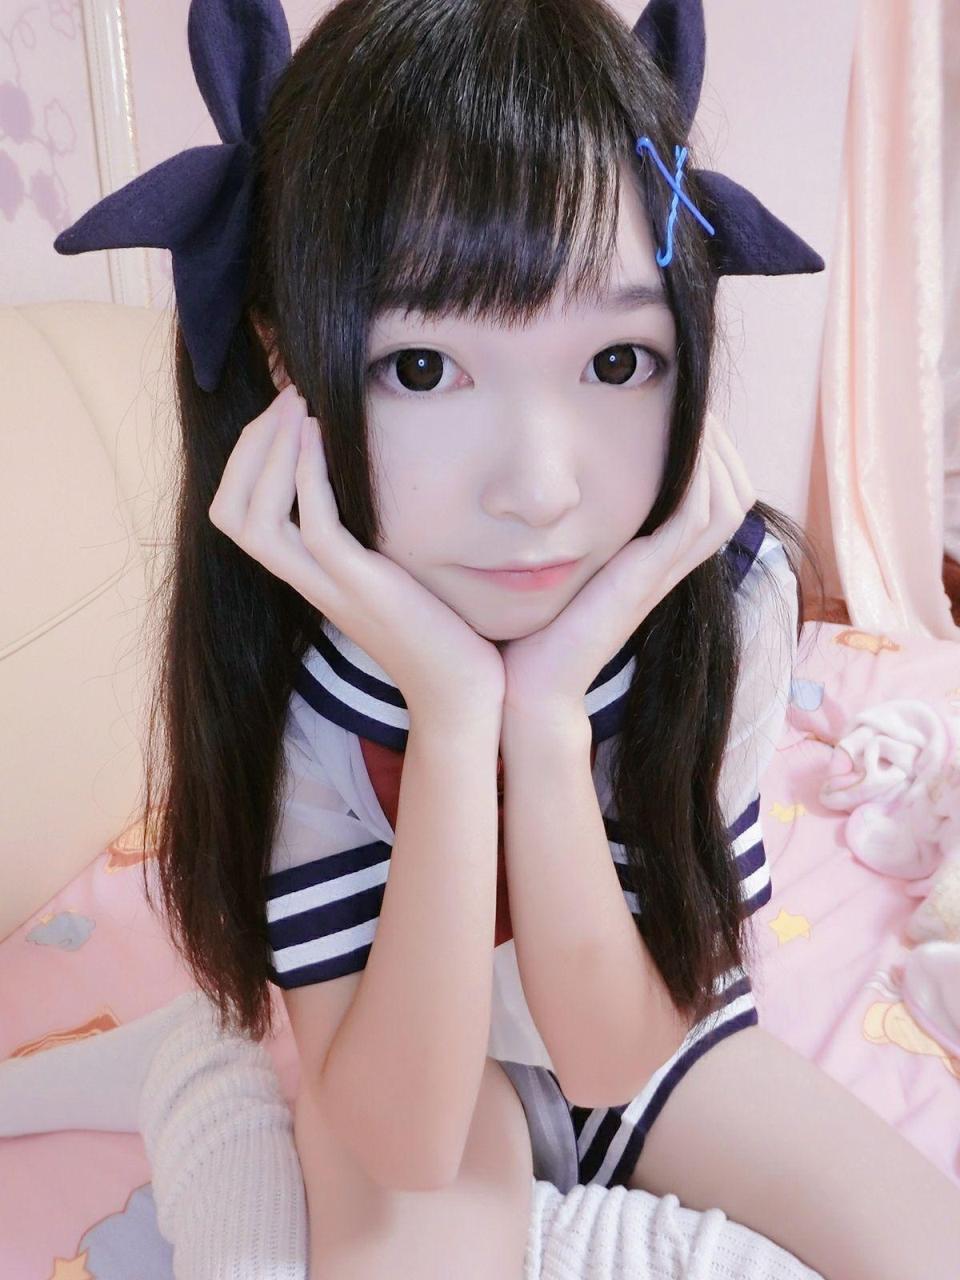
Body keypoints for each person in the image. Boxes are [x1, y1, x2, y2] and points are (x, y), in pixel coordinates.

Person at [4, 0, 960, 1277]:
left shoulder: (730, 602)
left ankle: (225, 1084)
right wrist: (454, 713)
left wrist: (548, 711)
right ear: (285, 362)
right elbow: (404, 1134)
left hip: (654, 1031)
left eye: (616, 361)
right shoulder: (295, 660)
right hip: (406, 1059)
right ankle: (214, 1074)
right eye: (422, 368)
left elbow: (620, 1054)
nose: (540, 487)